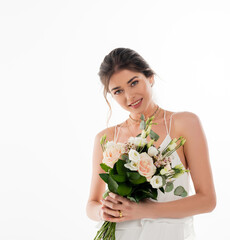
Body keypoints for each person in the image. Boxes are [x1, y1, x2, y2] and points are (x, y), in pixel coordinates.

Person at [86, 48, 216, 240]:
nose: (129, 97)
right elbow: (92, 204)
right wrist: (103, 211)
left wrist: (145, 210)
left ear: (150, 77)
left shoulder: (184, 124)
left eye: (134, 83)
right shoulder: (105, 139)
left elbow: (207, 200)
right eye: (118, 91)